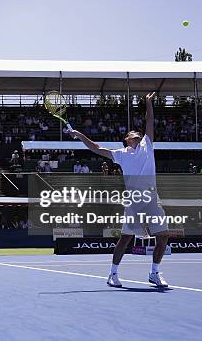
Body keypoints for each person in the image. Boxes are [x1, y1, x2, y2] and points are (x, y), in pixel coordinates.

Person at [68, 92, 169, 288]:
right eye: (134, 135)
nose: (137, 135)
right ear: (127, 139)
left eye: (138, 134)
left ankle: (154, 273)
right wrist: (79, 135)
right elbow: (96, 148)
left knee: (163, 235)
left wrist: (148, 103)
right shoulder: (121, 155)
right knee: (125, 238)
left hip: (152, 199)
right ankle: (113, 274)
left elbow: (150, 121)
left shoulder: (147, 145)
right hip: (134, 201)